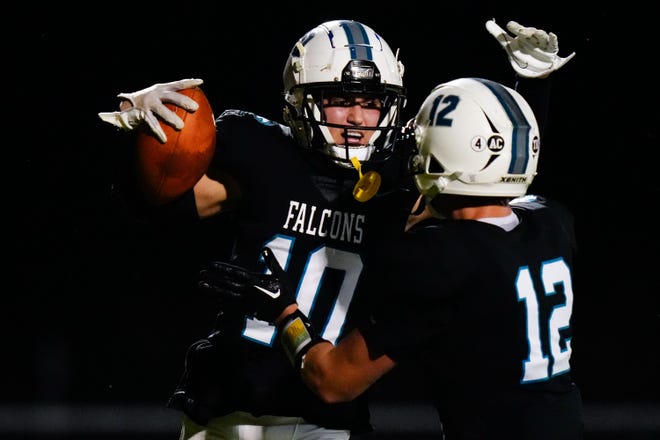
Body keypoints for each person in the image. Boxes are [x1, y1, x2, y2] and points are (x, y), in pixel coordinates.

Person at [98, 18, 575, 440]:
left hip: (321, 407)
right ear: (300, 100)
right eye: (339, 101)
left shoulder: (402, 178)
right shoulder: (262, 154)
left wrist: (533, 90)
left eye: (370, 103)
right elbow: (157, 205)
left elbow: (488, 179)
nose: (355, 119)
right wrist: (141, 135)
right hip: (226, 396)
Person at [200, 77, 584, 439]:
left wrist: (285, 313)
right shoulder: (551, 220)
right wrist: (533, 90)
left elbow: (333, 382)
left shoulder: (440, 259)